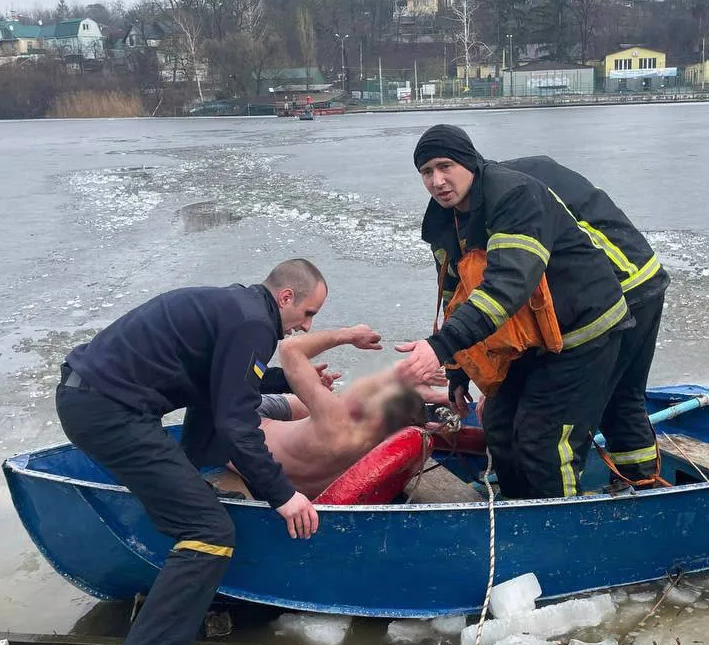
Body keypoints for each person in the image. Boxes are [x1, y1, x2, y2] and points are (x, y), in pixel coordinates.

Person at [54, 259, 325, 645]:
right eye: (308, 313)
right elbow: (237, 421)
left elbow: (225, 381)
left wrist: (290, 381)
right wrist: (284, 496)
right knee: (210, 532)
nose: (307, 326)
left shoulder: (238, 307)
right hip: (109, 411)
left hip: (90, 397)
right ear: (285, 297)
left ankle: (179, 518)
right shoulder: (254, 323)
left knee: (200, 498)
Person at [395, 124, 630, 499]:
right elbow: (457, 295)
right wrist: (457, 370)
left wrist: (439, 347)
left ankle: (556, 529)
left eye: (445, 166)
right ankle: (517, 513)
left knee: (544, 441)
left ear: (469, 162)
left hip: (582, 332)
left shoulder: (514, 196)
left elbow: (508, 286)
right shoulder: (443, 219)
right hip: (525, 339)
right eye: (426, 172)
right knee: (501, 429)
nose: (437, 181)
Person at [497, 155, 669, 486]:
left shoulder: (508, 198)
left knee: (566, 416)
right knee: (624, 397)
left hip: (617, 290)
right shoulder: (523, 174)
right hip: (643, 277)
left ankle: (575, 499)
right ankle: (641, 487)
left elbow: (515, 278)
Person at [230, 325, 433, 497]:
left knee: (304, 395)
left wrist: (349, 334)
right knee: (312, 400)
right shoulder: (373, 442)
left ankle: (291, 383)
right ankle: (295, 385)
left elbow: (290, 348)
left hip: (238, 435)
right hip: (293, 481)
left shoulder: (335, 416)